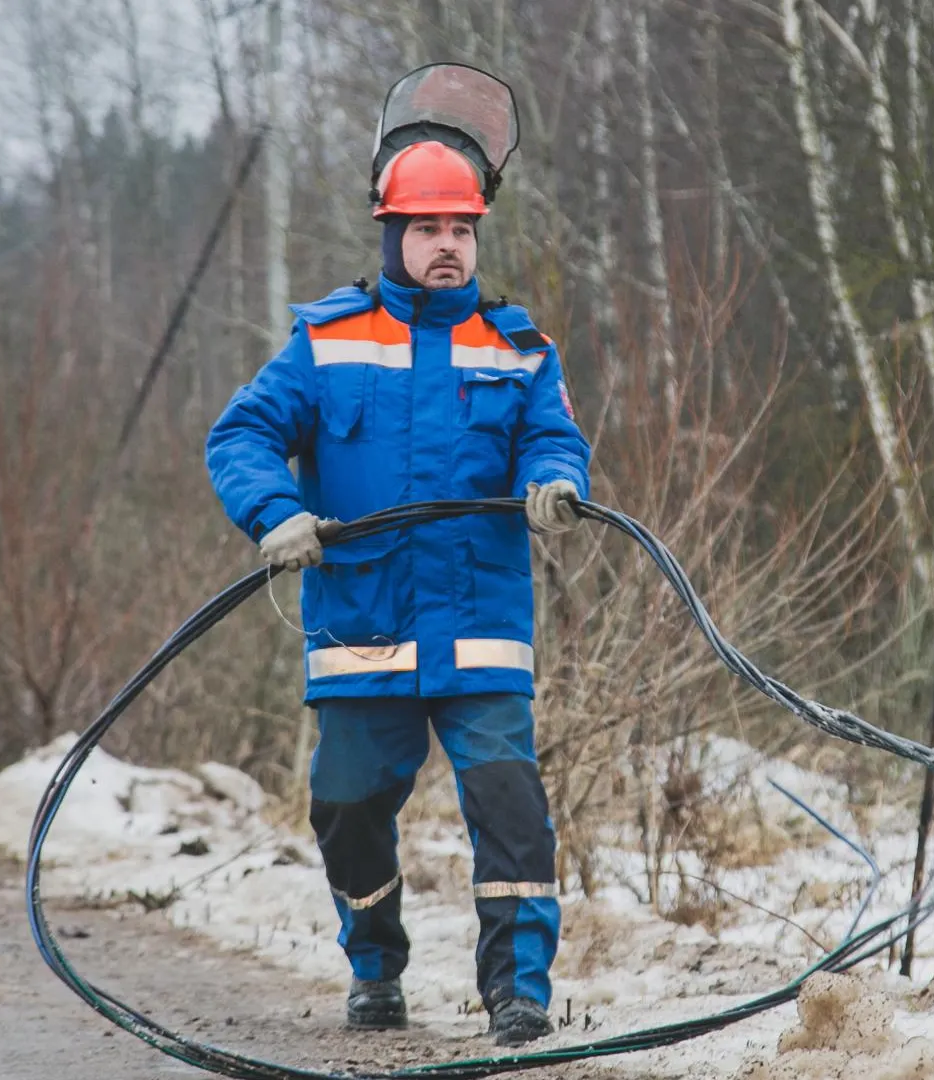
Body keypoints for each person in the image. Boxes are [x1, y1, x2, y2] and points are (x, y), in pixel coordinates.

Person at [203, 72, 588, 1049]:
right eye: (427, 230)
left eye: (461, 229)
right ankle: (375, 958)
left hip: (480, 626)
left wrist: (552, 479)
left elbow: (553, 437)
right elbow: (240, 437)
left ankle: (518, 992)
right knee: (344, 807)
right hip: (361, 626)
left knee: (511, 808)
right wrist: (275, 513)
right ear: (392, 236)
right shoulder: (327, 342)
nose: (447, 245)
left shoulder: (518, 349)